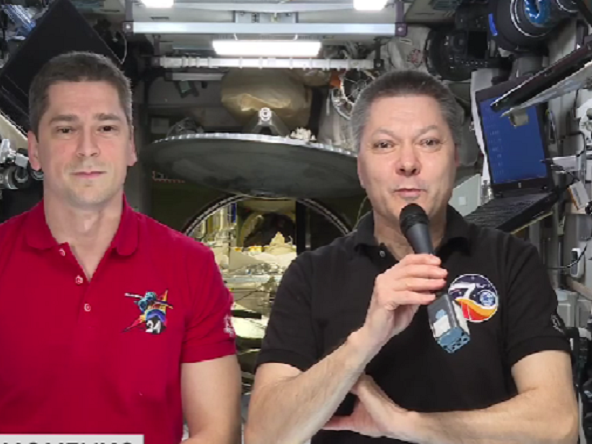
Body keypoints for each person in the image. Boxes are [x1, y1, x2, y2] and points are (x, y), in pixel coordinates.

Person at [0, 51, 242, 444]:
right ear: (35, 150)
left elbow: (218, 433)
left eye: (106, 128)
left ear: (131, 145)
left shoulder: (191, 268)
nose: (87, 148)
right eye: (65, 129)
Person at [244, 70, 578, 444]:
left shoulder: (511, 260)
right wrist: (365, 341)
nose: (407, 162)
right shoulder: (312, 275)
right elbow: (264, 435)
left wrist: (406, 424)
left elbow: (558, 425)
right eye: (384, 145)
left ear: (456, 157)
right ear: (360, 167)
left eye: (429, 142)